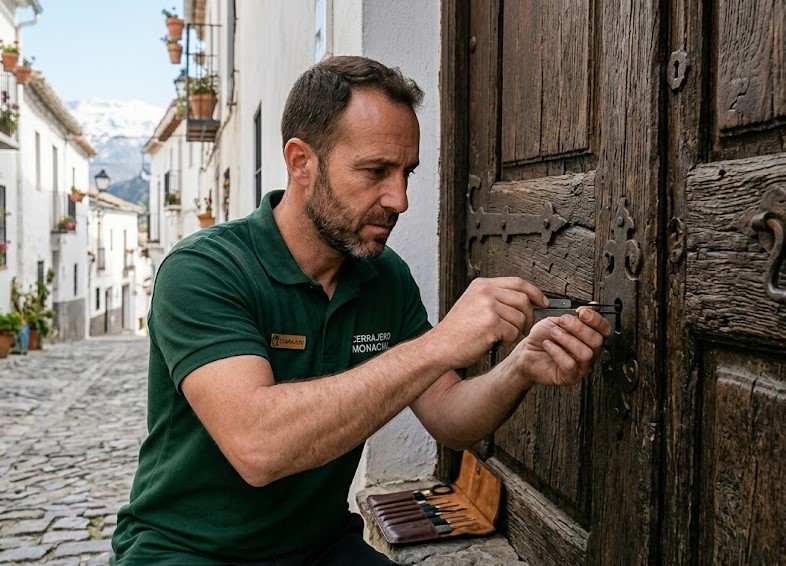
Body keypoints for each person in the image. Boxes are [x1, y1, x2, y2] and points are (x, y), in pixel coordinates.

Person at [111, 55, 611, 566]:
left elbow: (449, 419)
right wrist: (438, 344)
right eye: (375, 171)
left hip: (321, 549)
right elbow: (258, 447)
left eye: (406, 173)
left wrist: (519, 366)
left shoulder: (383, 276)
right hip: (186, 551)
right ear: (301, 162)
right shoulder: (203, 270)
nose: (399, 199)